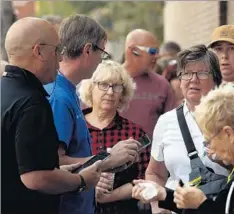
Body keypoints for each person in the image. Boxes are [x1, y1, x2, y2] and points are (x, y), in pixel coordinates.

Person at [132, 85, 234, 214]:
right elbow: (220, 208)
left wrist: (201, 204)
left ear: (228, 134)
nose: (210, 147)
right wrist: (164, 195)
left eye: (209, 140)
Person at [1, 17, 102, 214]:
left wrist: (58, 173)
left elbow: (20, 162)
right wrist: (81, 180)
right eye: (57, 50)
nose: (61, 59)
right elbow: (35, 177)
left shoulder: (6, 90)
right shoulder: (31, 101)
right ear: (38, 51)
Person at [44, 15, 141, 214]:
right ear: (88, 50)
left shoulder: (66, 90)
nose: (100, 60)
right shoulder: (59, 97)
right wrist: (108, 159)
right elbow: (51, 163)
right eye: (102, 52)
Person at [145, 45, 229, 213]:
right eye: (187, 73)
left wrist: (224, 161)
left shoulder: (230, 117)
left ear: (216, 79)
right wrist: (157, 207)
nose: (193, 79)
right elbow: (155, 173)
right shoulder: (166, 121)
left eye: (202, 73)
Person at [79, 60, 150, 214]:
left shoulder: (134, 133)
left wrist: (109, 196)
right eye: (103, 84)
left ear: (123, 94)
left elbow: (146, 179)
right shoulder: (75, 128)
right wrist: (87, 187)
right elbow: (58, 171)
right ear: (91, 88)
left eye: (116, 86)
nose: (110, 92)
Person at [121, 29, 176, 139]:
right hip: (113, 155)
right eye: (152, 51)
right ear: (134, 51)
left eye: (157, 52)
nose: (157, 56)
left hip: (152, 155)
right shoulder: (107, 81)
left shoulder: (162, 85)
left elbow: (171, 128)